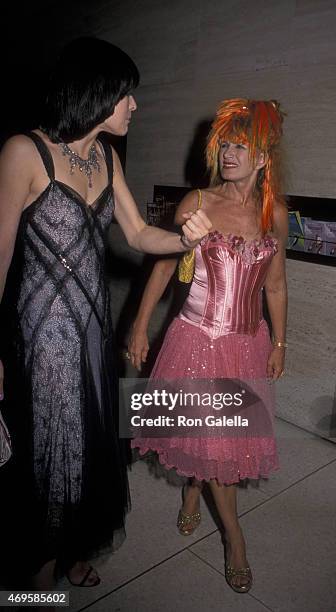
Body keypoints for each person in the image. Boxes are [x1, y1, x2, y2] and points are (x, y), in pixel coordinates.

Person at [0, 37, 211, 594]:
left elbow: (139, 233)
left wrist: (187, 236)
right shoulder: (24, 151)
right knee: (52, 451)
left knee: (92, 442)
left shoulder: (105, 157)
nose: (134, 106)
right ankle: (37, 581)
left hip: (94, 330)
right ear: (97, 92)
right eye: (126, 95)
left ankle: (74, 551)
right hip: (44, 335)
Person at [131, 98, 288, 593]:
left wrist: (280, 341)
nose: (230, 152)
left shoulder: (274, 213)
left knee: (223, 440)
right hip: (197, 339)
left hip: (246, 344)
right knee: (216, 436)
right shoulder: (196, 203)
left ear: (263, 158)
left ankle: (193, 491)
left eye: (242, 145)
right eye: (226, 142)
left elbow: (277, 286)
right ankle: (235, 539)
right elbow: (161, 266)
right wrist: (138, 326)